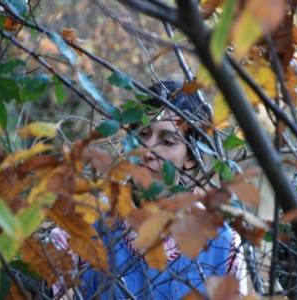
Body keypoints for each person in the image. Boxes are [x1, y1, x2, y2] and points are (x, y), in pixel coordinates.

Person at [52, 81, 248, 299]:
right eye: (143, 134)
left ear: (191, 159)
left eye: (167, 141)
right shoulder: (85, 220)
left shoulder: (222, 245)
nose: (148, 150)